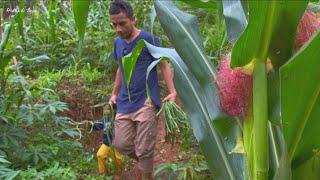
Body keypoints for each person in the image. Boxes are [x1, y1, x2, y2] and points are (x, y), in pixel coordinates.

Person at [108, 0, 176, 179]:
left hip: (146, 101)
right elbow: (120, 69)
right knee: (121, 144)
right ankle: (144, 162)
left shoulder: (147, 39)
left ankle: (146, 174)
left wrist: (173, 91)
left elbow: (164, 64)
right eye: (114, 25)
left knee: (145, 148)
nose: (118, 29)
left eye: (122, 23)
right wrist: (114, 93)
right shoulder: (118, 43)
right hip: (124, 102)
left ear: (133, 19)